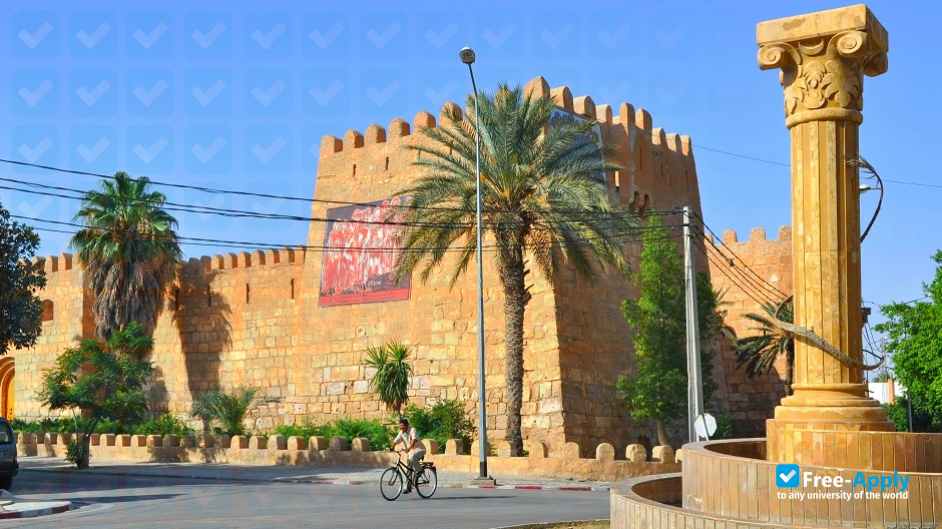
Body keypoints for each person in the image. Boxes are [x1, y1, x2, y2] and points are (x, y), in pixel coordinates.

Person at [391, 417, 425, 493]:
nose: (401, 429)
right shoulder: (401, 432)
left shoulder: (412, 430)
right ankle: (408, 487)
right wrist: (392, 446)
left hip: (419, 449)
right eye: (400, 427)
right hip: (411, 452)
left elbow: (413, 440)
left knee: (412, 459)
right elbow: (396, 440)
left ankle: (420, 471)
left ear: (407, 426)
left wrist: (408, 448)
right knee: (408, 469)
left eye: (402, 427)